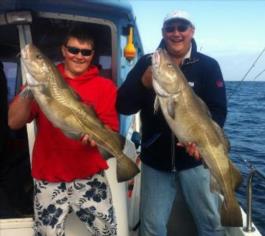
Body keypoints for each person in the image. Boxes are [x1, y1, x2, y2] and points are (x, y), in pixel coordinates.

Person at [116, 10, 227, 236]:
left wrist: (203, 144)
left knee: (211, 223)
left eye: (182, 27)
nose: (176, 33)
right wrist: (143, 83)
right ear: (163, 32)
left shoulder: (208, 66)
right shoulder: (146, 63)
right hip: (155, 161)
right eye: (170, 28)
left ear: (191, 31)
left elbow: (218, 110)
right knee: (152, 227)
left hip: (196, 162)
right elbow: (123, 107)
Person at [8, 26, 118, 235]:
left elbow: (110, 129)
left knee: (106, 231)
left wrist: (95, 139)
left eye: (85, 52)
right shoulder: (42, 83)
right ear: (63, 50)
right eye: (73, 50)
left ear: (92, 55)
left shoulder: (106, 87)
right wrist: (30, 89)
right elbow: (13, 122)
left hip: (89, 176)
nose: (79, 56)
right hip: (49, 176)